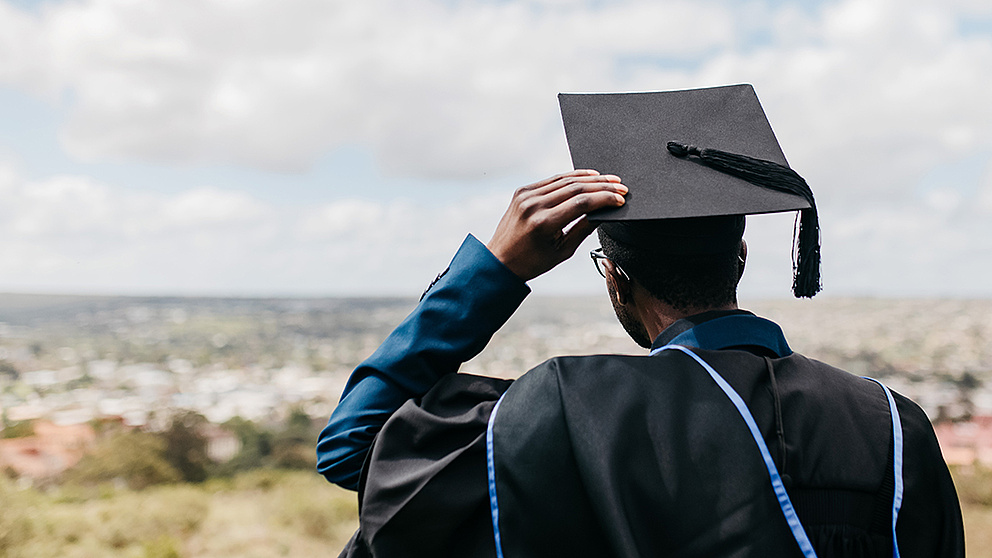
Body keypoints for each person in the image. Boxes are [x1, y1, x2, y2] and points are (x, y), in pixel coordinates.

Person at [317, 85, 964, 557]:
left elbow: (355, 451)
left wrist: (495, 271)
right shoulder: (891, 425)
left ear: (615, 280)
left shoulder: (560, 414)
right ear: (739, 256)